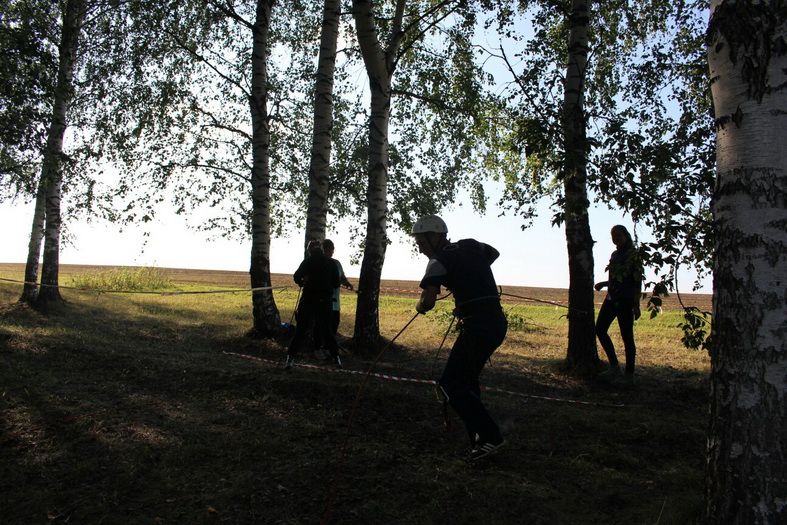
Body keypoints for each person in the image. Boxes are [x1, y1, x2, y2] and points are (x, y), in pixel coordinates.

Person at [412, 214, 508, 461]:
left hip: (478, 326)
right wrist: (468, 286)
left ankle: (491, 437)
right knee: (467, 380)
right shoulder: (472, 244)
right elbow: (492, 254)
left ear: (434, 237)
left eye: (421, 242)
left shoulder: (437, 260)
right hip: (494, 322)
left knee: (450, 384)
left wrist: (420, 307)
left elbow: (428, 301)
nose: (419, 248)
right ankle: (478, 437)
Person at [594, 225, 643, 385]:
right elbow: (616, 278)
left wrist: (636, 305)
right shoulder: (614, 254)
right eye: (613, 236)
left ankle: (629, 375)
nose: (615, 238)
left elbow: (636, 281)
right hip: (611, 298)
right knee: (600, 330)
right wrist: (604, 283)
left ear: (626, 235)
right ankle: (614, 366)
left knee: (627, 337)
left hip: (625, 300)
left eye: (618, 235)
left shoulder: (633, 255)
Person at [285, 240, 342, 369]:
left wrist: (303, 282)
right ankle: (337, 359)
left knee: (301, 331)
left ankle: (290, 359)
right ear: (321, 249)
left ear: (310, 250)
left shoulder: (307, 262)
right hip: (325, 301)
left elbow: (296, 277)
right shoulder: (331, 263)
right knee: (327, 331)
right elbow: (337, 284)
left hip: (308, 300)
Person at [322, 239, 354, 335]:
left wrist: (347, 284)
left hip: (335, 304)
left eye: (332, 249)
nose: (331, 252)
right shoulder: (319, 263)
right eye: (329, 249)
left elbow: (342, 277)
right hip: (322, 303)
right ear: (323, 250)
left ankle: (329, 347)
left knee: (334, 325)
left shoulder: (337, 263)